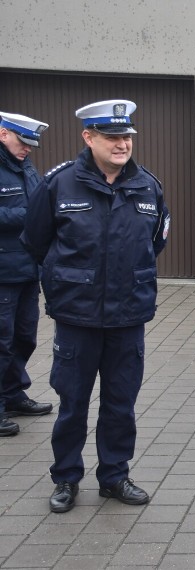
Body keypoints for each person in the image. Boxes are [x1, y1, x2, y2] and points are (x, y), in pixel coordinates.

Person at [21, 99, 170, 513]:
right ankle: (66, 478)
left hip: (128, 317)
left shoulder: (147, 186)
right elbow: (36, 241)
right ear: (89, 137)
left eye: (126, 137)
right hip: (77, 317)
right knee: (73, 405)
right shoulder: (59, 184)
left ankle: (115, 477)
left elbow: (156, 240)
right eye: (112, 136)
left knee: (121, 403)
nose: (122, 144)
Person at [0, 112, 54, 437]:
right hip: (3, 273)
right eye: (23, 141)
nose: (29, 149)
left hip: (27, 271)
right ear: (3, 133)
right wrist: (30, 214)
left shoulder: (25, 166)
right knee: (1, 342)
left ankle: (13, 394)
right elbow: (28, 211)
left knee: (24, 338)